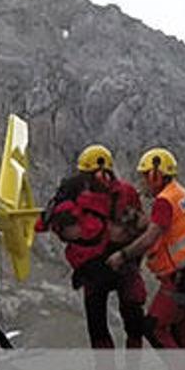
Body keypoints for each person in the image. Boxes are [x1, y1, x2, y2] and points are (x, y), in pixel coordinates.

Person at [106, 147, 185, 370]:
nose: (144, 181)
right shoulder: (179, 194)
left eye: (146, 175)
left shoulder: (165, 200)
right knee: (181, 329)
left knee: (154, 326)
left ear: (156, 174)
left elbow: (153, 234)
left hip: (180, 277)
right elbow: (163, 226)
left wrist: (123, 254)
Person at [40, 144, 148, 351]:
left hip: (110, 264)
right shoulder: (79, 196)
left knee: (127, 318)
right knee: (103, 323)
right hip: (103, 266)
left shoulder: (86, 196)